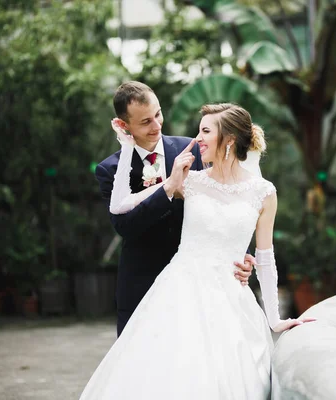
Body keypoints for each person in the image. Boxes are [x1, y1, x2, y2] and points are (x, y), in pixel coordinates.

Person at [81, 103, 314, 399]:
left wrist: (275, 319)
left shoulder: (264, 192)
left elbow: (265, 258)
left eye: (205, 131)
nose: (197, 138)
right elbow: (120, 206)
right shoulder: (190, 181)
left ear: (229, 139)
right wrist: (132, 152)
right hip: (178, 292)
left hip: (232, 299)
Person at [95, 82, 253, 336]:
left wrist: (241, 254)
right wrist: (167, 191)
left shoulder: (193, 150)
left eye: (158, 114)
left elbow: (226, 201)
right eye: (146, 121)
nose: (157, 126)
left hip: (197, 285)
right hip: (141, 283)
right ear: (124, 126)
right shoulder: (110, 170)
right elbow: (126, 226)